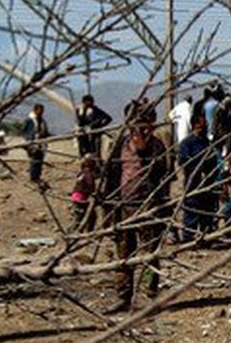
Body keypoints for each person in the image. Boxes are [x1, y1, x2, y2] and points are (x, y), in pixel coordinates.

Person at [101, 114, 172, 313]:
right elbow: (111, 178)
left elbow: (165, 176)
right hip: (124, 207)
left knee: (150, 251)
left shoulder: (157, 146)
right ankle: (124, 296)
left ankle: (149, 295)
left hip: (149, 206)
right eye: (136, 128)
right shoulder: (119, 146)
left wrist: (163, 207)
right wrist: (108, 210)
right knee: (124, 252)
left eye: (145, 128)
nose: (140, 133)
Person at [178, 112, 220, 243]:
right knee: (191, 211)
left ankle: (205, 237)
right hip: (193, 184)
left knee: (207, 212)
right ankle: (188, 238)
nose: (205, 127)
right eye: (202, 124)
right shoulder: (187, 143)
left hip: (207, 184)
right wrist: (198, 166)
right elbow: (184, 161)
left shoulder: (207, 142)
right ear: (195, 125)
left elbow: (213, 160)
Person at [22, 103, 50, 186]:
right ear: (35, 110)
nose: (41, 112)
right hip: (33, 143)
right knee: (34, 160)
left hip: (41, 143)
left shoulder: (42, 121)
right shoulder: (29, 120)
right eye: (39, 110)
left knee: (40, 159)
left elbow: (45, 131)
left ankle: (37, 176)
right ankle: (33, 177)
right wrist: (30, 139)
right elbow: (24, 132)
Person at [71, 154, 100, 229]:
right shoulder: (88, 175)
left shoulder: (82, 172)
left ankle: (77, 230)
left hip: (75, 196)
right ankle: (83, 231)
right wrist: (96, 195)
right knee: (90, 216)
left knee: (80, 216)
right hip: (81, 198)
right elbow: (90, 187)